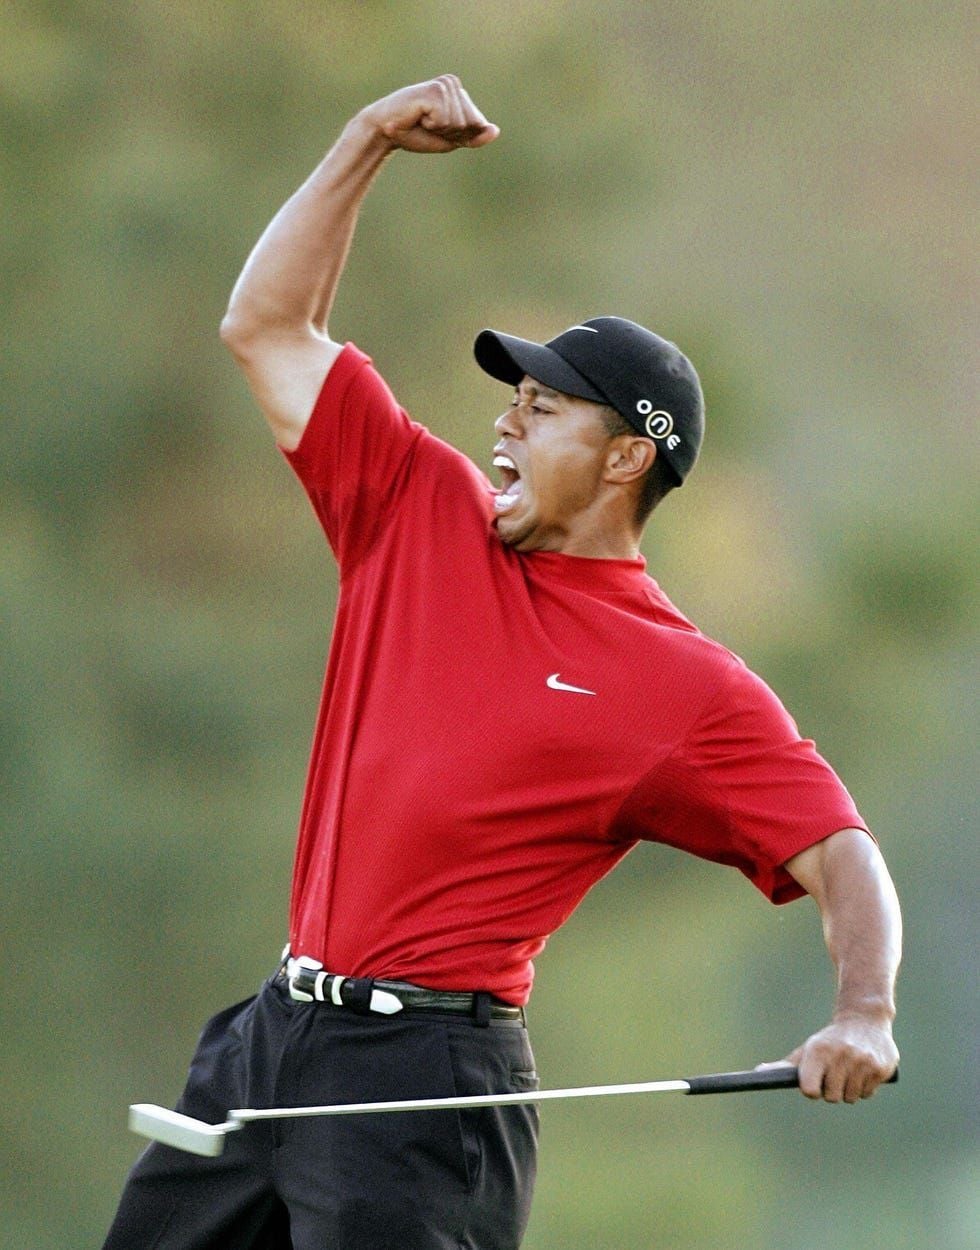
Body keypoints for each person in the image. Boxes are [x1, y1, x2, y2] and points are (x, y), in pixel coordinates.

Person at [103, 76, 901, 1250]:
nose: (503, 424)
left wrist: (863, 1010)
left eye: (541, 408)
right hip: (269, 1039)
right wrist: (364, 138)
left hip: (425, 1088)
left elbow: (841, 853)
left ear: (627, 456)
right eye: (509, 400)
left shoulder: (683, 686)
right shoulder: (415, 507)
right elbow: (267, 327)